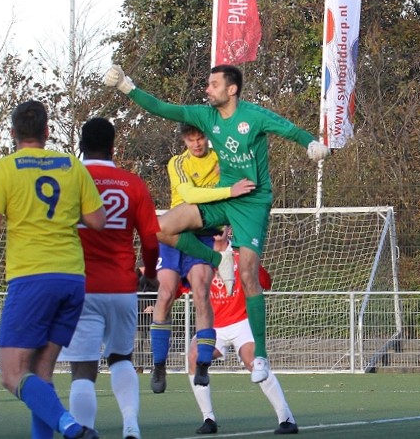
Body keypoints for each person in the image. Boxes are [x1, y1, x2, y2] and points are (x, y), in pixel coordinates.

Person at [103, 64, 331, 383]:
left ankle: (261, 356)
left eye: (213, 84)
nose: (207, 89)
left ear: (231, 89)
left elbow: (289, 130)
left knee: (248, 274)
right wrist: (127, 86)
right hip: (224, 198)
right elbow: (163, 108)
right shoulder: (206, 116)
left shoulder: (253, 116)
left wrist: (311, 143)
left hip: (252, 203)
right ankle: (215, 257)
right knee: (159, 228)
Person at [0, 100, 106, 439]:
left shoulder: (6, 168)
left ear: (12, 133)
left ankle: (70, 425)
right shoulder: (71, 165)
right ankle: (59, 427)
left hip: (32, 277)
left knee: (11, 375)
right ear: (47, 131)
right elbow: (97, 220)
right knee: (41, 373)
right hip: (71, 278)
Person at [57, 117, 160, 439]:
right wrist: (151, 274)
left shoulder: (67, 181)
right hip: (122, 286)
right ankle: (131, 426)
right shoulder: (132, 184)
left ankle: (85, 431)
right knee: (121, 358)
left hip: (81, 288)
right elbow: (151, 241)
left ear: (80, 145)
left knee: (82, 369)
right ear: (113, 147)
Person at [150, 123, 255, 393]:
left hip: (204, 233)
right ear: (184, 141)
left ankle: (204, 363)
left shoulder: (221, 158)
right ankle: (159, 364)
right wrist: (228, 191)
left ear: (207, 137)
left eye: (200, 138)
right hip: (176, 234)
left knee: (201, 292)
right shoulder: (178, 162)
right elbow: (189, 195)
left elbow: (242, 182)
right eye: (191, 140)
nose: (196, 144)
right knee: (166, 292)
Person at [187, 229, 298, 435]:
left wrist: (253, 262)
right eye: (212, 225)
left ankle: (286, 418)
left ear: (229, 229)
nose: (217, 230)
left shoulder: (240, 254)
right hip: (212, 325)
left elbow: (265, 282)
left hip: (241, 322)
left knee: (254, 361)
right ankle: (208, 418)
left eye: (221, 225)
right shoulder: (199, 257)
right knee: (194, 355)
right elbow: (182, 285)